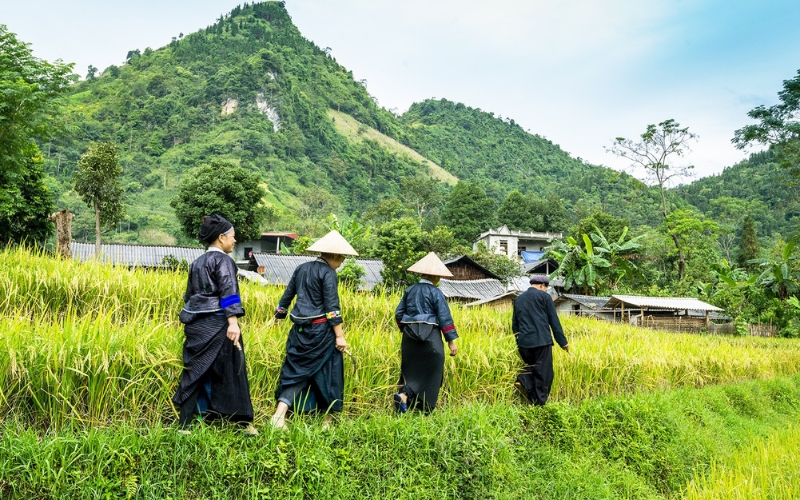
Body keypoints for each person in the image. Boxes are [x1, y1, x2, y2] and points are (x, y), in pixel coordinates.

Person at [173, 214, 257, 435]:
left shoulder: (196, 262)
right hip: (218, 323)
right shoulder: (224, 261)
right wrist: (233, 323)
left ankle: (185, 425)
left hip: (195, 324)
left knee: (196, 370)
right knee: (232, 368)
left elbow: (189, 296)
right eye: (233, 237)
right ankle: (241, 423)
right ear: (221, 238)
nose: (235, 241)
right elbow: (229, 292)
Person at [270, 230, 358, 430]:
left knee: (294, 371)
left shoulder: (301, 268)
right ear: (334, 256)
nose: (342, 261)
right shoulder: (328, 273)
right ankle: (327, 420)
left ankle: (278, 415)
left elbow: (287, 295)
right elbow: (332, 307)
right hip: (321, 333)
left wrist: (278, 315)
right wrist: (340, 337)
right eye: (342, 258)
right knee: (329, 372)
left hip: (299, 332)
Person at [393, 252, 458, 414]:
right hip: (431, 336)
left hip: (409, 337)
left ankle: (404, 396)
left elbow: (398, 314)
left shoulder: (410, 290)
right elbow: (444, 317)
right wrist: (451, 341)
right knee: (434, 368)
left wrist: (406, 329)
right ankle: (425, 410)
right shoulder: (436, 293)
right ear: (434, 276)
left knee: (411, 369)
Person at [512, 274, 569, 406]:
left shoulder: (519, 299)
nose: (545, 290)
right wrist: (563, 342)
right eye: (545, 288)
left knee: (533, 368)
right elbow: (553, 320)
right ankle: (539, 404)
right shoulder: (544, 297)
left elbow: (515, 323)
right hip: (541, 341)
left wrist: (518, 341)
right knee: (544, 374)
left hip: (524, 343)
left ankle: (526, 386)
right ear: (542, 286)